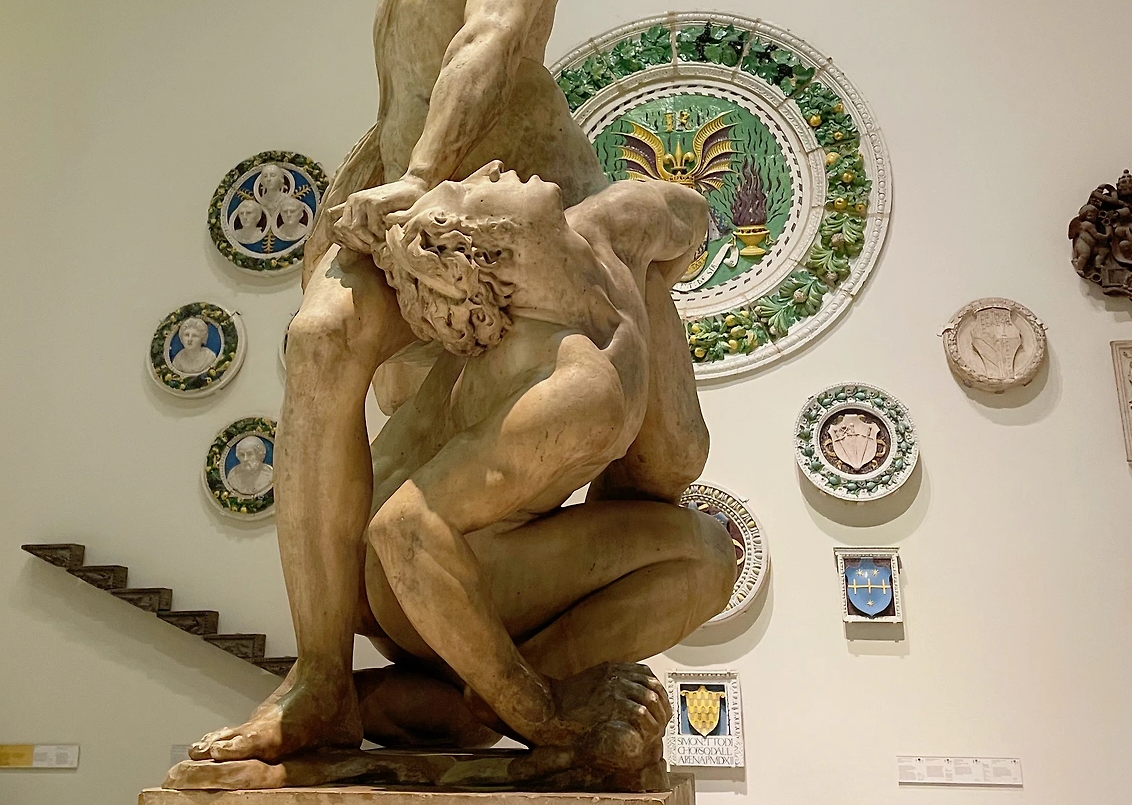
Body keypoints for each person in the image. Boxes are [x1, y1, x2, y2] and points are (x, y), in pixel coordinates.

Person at [189, 0, 616, 767]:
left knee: (522, 411)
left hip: (486, 186)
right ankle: (320, 681)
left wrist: (424, 173)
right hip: (399, 174)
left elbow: (493, 32)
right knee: (317, 343)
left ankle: (497, 644)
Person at [182, 166, 732, 782]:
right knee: (705, 557)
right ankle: (513, 692)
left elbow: (691, 218)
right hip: (406, 583)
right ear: (493, 259)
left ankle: (463, 698)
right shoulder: (571, 385)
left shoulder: (609, 226)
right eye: (466, 192)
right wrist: (545, 713)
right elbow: (404, 532)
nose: (492, 169)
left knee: (680, 470)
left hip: (449, 555)